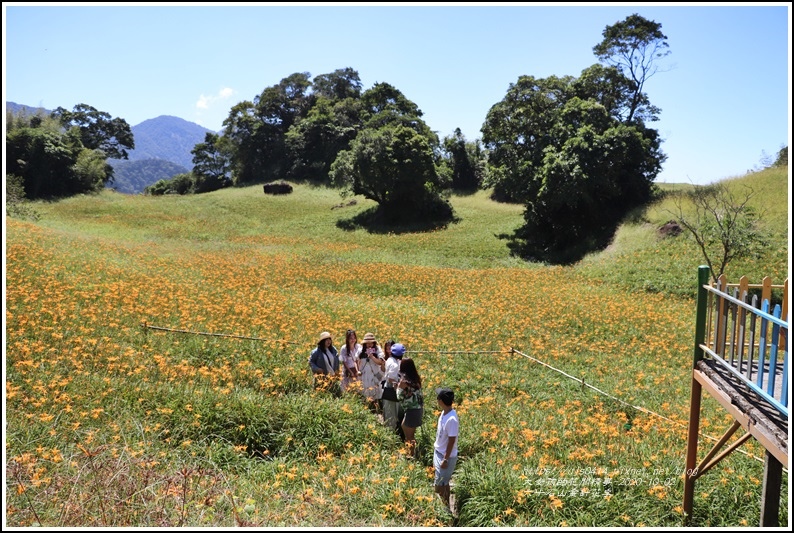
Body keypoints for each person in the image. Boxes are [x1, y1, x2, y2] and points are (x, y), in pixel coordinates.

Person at [434, 387, 458, 515]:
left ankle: (446, 510)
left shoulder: (452, 419)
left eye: (438, 398)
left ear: (441, 401)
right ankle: (447, 508)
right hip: (439, 453)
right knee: (444, 482)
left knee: (439, 486)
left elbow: (452, 440)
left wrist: (445, 459)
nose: (436, 400)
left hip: (445, 456)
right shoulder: (445, 412)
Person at [396, 357, 424, 458]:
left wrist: (398, 387)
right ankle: (410, 452)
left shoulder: (405, 381)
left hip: (412, 410)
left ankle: (411, 455)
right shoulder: (415, 379)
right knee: (405, 427)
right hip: (417, 409)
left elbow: (399, 397)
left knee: (410, 436)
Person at [357, 332, 385, 412]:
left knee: (376, 392)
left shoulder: (377, 350)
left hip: (374, 374)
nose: (369, 345)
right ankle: (368, 410)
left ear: (374, 343)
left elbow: (380, 362)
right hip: (364, 375)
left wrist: (372, 357)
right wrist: (358, 370)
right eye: (367, 343)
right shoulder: (360, 351)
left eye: (371, 343)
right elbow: (357, 360)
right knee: (365, 393)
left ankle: (378, 410)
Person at [381, 341, 404, 432]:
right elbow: (391, 378)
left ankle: (390, 431)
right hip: (392, 391)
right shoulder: (394, 364)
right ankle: (392, 433)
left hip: (387, 390)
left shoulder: (390, 360)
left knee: (389, 413)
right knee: (392, 414)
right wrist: (399, 385)